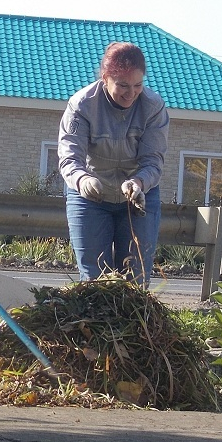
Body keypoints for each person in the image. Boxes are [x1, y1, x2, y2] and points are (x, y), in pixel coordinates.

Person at [58, 41, 169, 288]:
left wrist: (138, 183)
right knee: (95, 281)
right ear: (105, 78)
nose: (131, 93)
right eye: (123, 85)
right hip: (90, 196)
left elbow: (153, 161)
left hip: (139, 196)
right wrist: (83, 180)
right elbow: (69, 157)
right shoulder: (81, 105)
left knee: (135, 281)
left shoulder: (153, 107)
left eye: (138, 85)